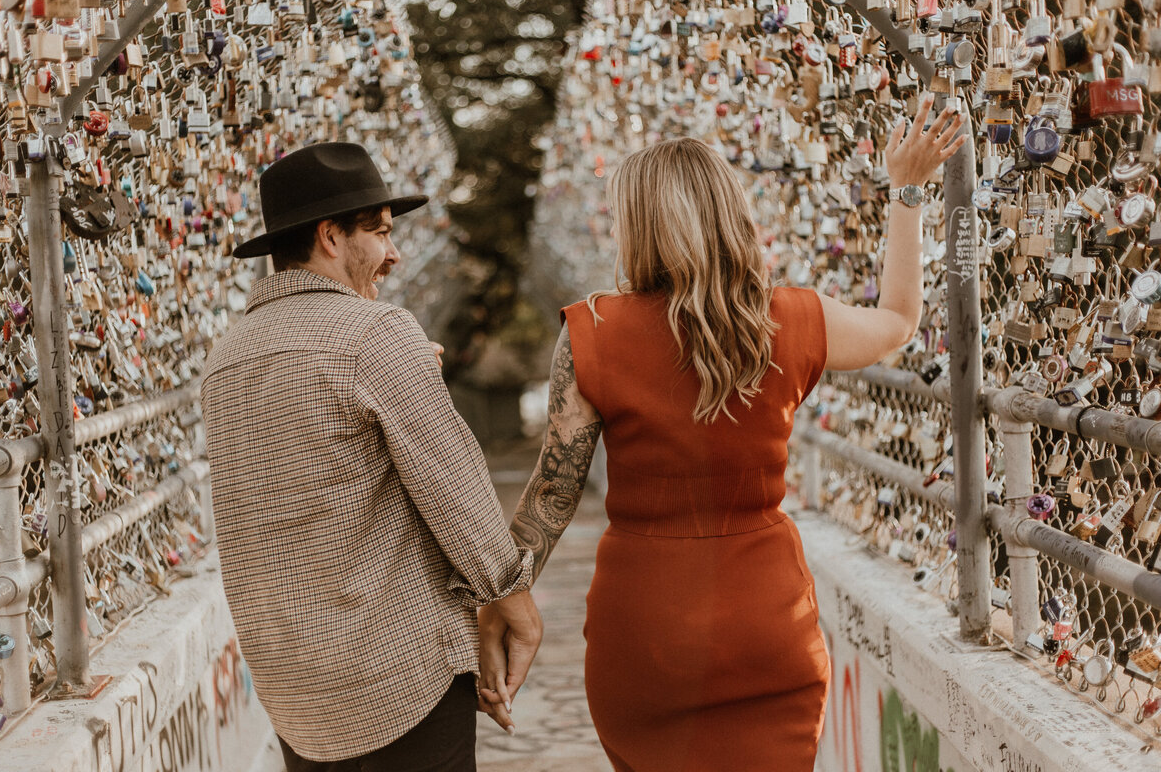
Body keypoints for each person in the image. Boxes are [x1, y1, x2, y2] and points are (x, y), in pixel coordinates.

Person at [475, 95, 966, 770]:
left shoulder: (593, 332)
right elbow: (899, 320)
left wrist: (501, 599)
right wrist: (907, 192)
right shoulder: (794, 320)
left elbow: (551, 497)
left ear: (639, 226)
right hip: (769, 624)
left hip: (645, 636)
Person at [200, 142, 543, 772]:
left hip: (295, 693)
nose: (395, 253)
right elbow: (453, 487)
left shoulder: (227, 357)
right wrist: (515, 606)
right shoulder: (374, 333)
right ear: (331, 237)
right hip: (396, 672)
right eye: (380, 233)